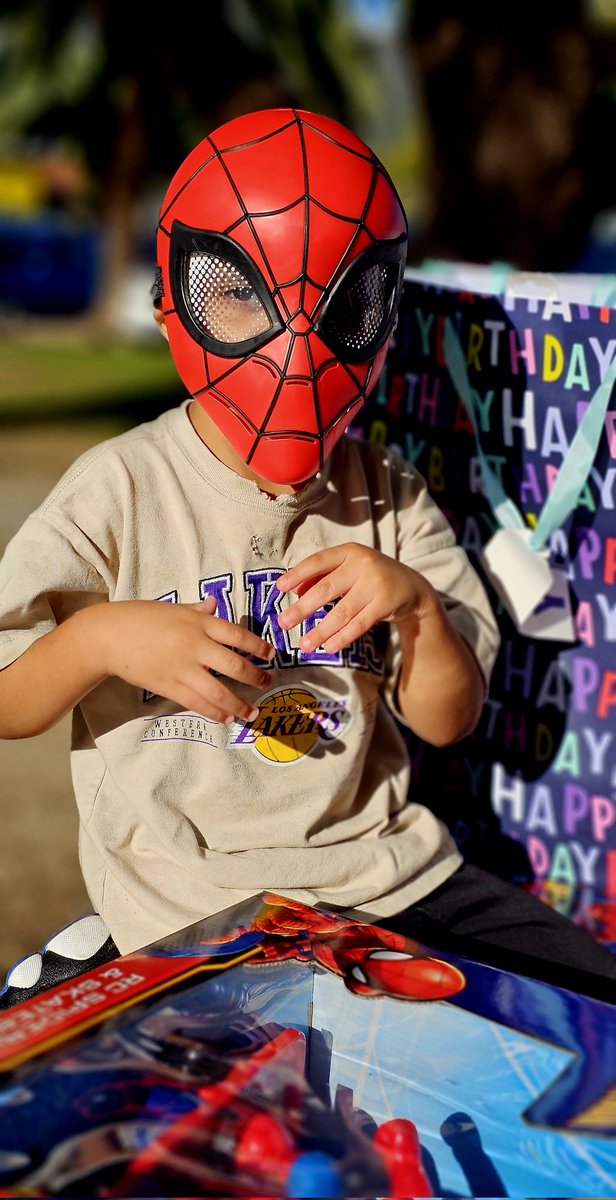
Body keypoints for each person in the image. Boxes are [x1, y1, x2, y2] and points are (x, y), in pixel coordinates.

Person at [0, 108, 614, 1004]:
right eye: (241, 293)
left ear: (379, 311)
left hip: (389, 879)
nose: (296, 347)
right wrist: (101, 641)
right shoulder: (119, 489)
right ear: (176, 303)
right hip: (197, 907)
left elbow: (448, 719)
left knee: (590, 1010)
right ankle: (94, 957)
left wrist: (413, 607)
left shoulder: (389, 495)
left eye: (339, 306)